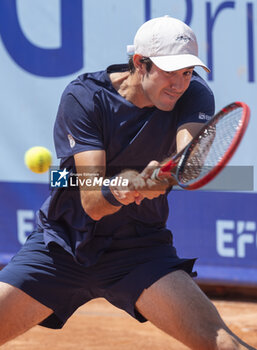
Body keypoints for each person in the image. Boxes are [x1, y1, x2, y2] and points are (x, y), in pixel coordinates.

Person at [0, 15, 255, 350]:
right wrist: (124, 186)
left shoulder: (194, 96)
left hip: (139, 251)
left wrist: (156, 177)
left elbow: (184, 164)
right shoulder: (85, 98)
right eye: (170, 72)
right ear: (140, 64)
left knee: (225, 346)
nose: (180, 83)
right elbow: (91, 203)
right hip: (63, 246)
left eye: (187, 72)